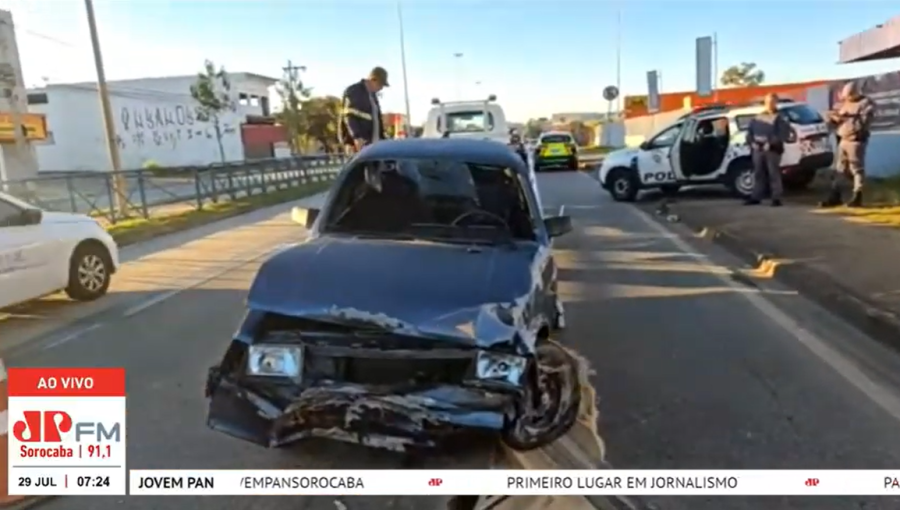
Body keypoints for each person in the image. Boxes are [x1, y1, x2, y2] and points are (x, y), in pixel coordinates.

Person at [820, 81, 876, 208]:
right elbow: (838, 121)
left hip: (856, 140)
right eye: (846, 97)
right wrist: (833, 119)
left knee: (857, 169)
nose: (848, 99)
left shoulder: (866, 104)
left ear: (855, 93)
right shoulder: (846, 103)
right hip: (843, 139)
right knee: (839, 169)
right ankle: (835, 196)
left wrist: (848, 119)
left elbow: (863, 124)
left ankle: (858, 196)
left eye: (850, 96)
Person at [744, 93, 790, 207]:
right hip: (757, 149)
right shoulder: (757, 117)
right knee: (758, 174)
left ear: (776, 103)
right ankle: (756, 197)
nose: (770, 104)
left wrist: (770, 144)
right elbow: (749, 132)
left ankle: (776, 198)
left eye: (772, 102)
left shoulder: (781, 117)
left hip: (772, 150)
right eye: (768, 102)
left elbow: (783, 134)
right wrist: (752, 143)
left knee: (773, 174)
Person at [339, 67, 389, 154]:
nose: (381, 88)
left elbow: (376, 120)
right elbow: (349, 116)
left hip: (371, 145)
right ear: (373, 79)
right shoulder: (354, 91)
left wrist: (383, 139)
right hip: (358, 144)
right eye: (380, 84)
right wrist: (356, 137)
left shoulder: (373, 97)